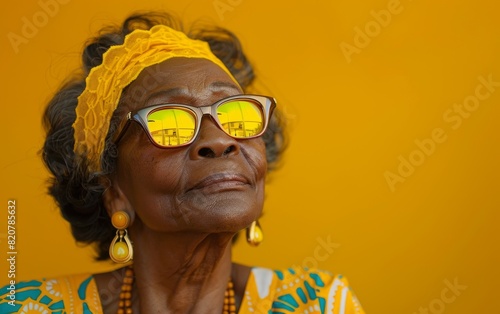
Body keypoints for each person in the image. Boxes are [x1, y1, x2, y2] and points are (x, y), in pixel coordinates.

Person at [0, 11, 365, 313]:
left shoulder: (320, 304)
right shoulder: (24, 307)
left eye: (236, 114)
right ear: (113, 190)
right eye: (170, 121)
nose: (221, 140)